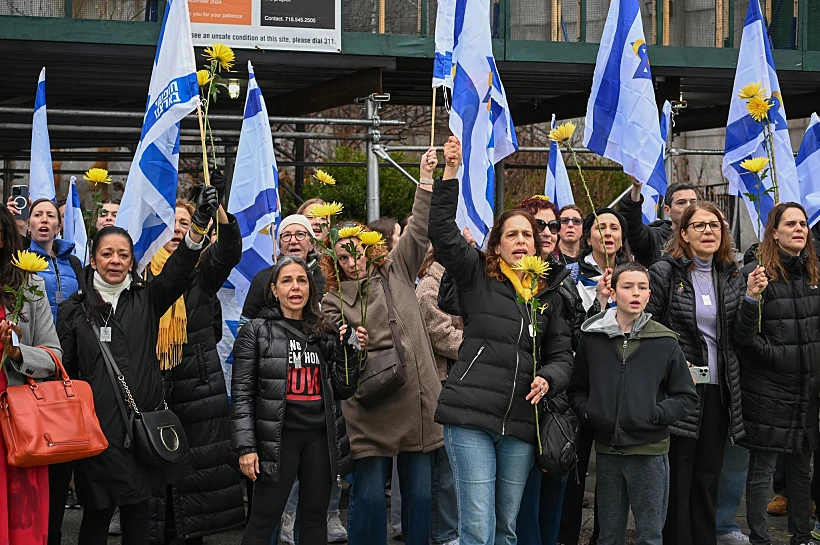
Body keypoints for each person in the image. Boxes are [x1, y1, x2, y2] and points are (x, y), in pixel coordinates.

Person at [429, 138, 574, 545]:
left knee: (505, 529)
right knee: (477, 529)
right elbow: (441, 233)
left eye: (527, 235)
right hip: (471, 417)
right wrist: (450, 174)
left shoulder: (548, 293)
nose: (521, 241)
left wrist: (549, 377)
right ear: (497, 244)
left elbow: (564, 355)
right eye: (512, 235)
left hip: (521, 425)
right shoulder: (478, 276)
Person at [56, 186, 219, 545]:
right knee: (96, 517)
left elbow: (178, 270)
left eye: (123, 255)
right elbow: (64, 372)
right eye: (107, 253)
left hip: (140, 432)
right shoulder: (73, 309)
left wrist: (200, 223)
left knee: (138, 516)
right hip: (95, 435)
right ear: (94, 258)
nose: (115, 261)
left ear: (132, 261)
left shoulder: (148, 297)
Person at [320, 146, 442, 545]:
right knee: (370, 499)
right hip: (367, 404)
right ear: (334, 261)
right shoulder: (331, 298)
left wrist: (426, 178)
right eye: (342, 256)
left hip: (416, 400)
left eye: (357, 252)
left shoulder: (399, 268)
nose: (352, 262)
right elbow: (331, 344)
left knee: (421, 496)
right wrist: (348, 342)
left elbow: (419, 229)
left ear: (369, 248)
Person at [231, 256, 365, 545]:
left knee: (315, 519)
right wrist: (246, 448)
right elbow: (241, 394)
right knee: (263, 518)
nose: (295, 287)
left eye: (302, 280)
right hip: (277, 440)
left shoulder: (326, 331)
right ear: (274, 290)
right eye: (287, 281)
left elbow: (344, 389)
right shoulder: (255, 331)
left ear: (310, 289)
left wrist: (351, 352)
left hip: (320, 438)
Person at [569, 262, 697, 545]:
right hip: (608, 451)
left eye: (642, 287)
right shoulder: (592, 338)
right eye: (627, 287)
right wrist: (590, 412)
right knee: (608, 535)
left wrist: (655, 414)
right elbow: (577, 389)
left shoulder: (664, 340)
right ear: (613, 293)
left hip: (650, 453)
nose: (635, 293)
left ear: (649, 295)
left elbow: (686, 396)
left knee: (650, 535)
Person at [644, 201, 745, 545]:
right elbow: (648, 325)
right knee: (679, 475)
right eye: (700, 226)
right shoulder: (664, 272)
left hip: (719, 390)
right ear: (683, 233)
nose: (708, 232)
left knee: (707, 476)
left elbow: (740, 335)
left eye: (715, 225)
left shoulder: (731, 274)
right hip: (680, 391)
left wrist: (753, 301)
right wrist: (673, 363)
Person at [146, 198, 245, 544]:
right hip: (152, 391)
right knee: (156, 505)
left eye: (185, 223)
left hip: (197, 395)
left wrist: (217, 209)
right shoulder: (141, 277)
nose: (177, 229)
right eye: (170, 223)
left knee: (193, 500)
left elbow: (231, 249)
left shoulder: (202, 275)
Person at [734, 202, 820, 545]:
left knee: (801, 470)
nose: (799, 229)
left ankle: (801, 535)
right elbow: (742, 336)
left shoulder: (816, 272)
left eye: (803, 224)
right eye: (791, 224)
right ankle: (760, 537)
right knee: (763, 470)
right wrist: (774, 355)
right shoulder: (757, 275)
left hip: (807, 391)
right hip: (769, 389)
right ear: (774, 231)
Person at [514, 196, 585, 545]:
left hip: (557, 399)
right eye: (538, 224)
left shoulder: (560, 278)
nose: (548, 231)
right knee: (524, 503)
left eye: (552, 225)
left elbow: (574, 335)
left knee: (555, 494)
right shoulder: (503, 275)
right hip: (519, 399)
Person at [25, 198, 85, 545]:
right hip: (34, 366)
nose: (45, 220)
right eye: (38, 215)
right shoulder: (21, 265)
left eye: (51, 215)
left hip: (68, 369)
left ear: (59, 225)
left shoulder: (74, 263)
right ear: (29, 224)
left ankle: (54, 532)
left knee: (62, 455)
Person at [0, 204, 60, 544]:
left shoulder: (28, 284)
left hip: (16, 422)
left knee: (18, 522)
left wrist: (18, 352)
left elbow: (53, 355)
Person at [416, 248, 461, 545]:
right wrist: (484, 343)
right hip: (443, 383)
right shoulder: (431, 287)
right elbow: (441, 335)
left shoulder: (457, 281)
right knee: (447, 467)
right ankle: (445, 535)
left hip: (463, 382)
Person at [241, 214, 326, 325]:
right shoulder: (263, 279)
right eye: (286, 236)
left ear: (311, 244)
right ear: (280, 246)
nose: (293, 241)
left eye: (300, 234)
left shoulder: (328, 278)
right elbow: (245, 325)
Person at [619, 179, 699, 267]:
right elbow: (633, 227)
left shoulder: (708, 234)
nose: (688, 207)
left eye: (693, 202)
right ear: (667, 210)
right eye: (681, 203)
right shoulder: (654, 238)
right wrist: (636, 189)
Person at [575, 208, 632, 312]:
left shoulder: (632, 275)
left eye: (614, 228)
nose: (607, 233)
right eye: (601, 228)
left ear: (621, 241)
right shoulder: (572, 275)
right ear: (588, 239)